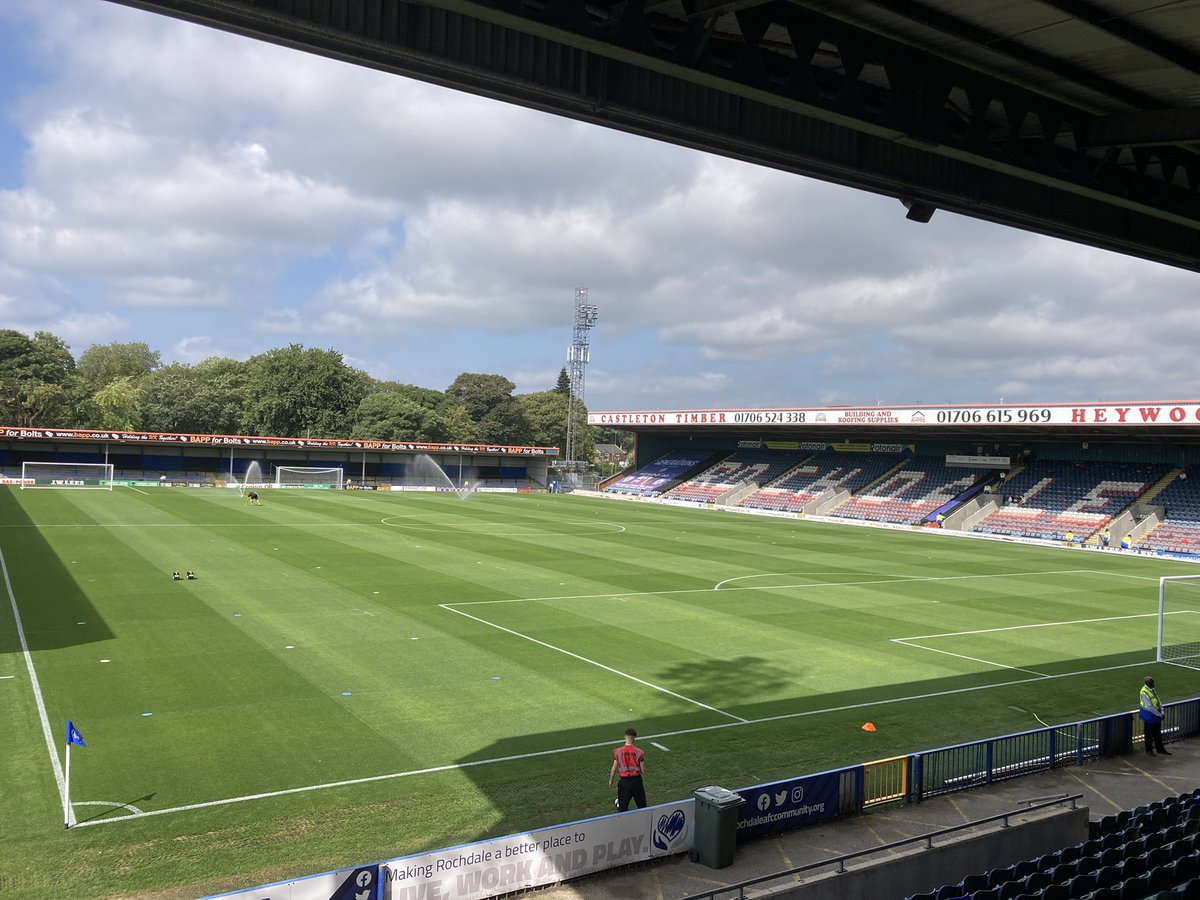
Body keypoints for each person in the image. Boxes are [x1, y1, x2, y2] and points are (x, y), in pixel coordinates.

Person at [609, 727, 646, 811]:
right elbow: (643, 770)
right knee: (642, 806)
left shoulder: (618, 751)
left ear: (625, 737)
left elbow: (614, 769)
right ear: (634, 738)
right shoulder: (639, 752)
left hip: (624, 782)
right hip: (637, 781)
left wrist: (611, 780)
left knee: (623, 808)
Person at [1140, 676, 1169, 756]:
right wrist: (1160, 714)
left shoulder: (1151, 690)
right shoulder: (1144, 692)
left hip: (1155, 715)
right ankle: (1149, 750)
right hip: (1149, 715)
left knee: (1157, 733)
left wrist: (1161, 711)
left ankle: (1160, 749)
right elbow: (1149, 707)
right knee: (1149, 734)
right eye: (1152, 683)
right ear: (1148, 683)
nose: (1154, 684)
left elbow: (1158, 701)